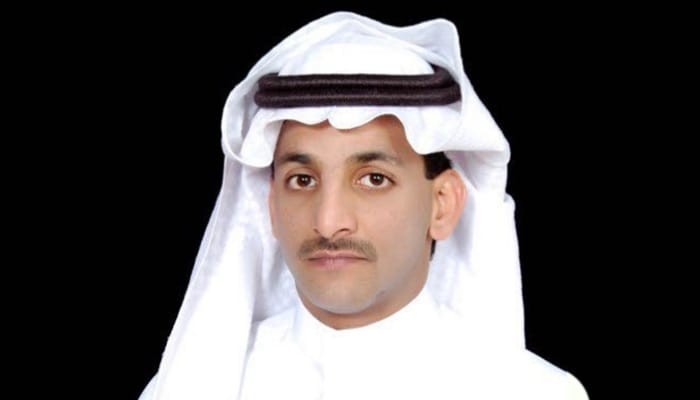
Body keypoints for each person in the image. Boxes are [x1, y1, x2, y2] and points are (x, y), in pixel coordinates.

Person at [139, 11, 589, 399]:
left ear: (442, 205)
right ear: (271, 207)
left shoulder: (537, 392)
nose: (329, 221)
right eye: (302, 180)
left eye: (374, 179)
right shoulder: (191, 382)